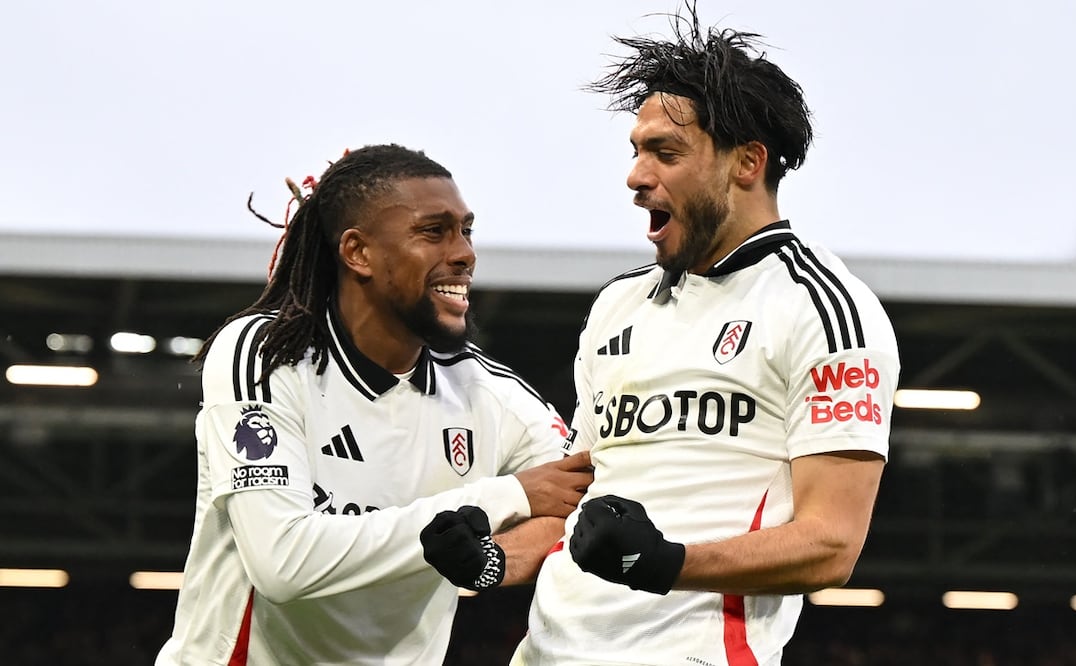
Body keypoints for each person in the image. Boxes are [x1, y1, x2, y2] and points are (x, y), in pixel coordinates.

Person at [419, 7, 901, 665]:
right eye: (636, 150)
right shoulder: (620, 305)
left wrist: (668, 562)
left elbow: (832, 544)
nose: (636, 176)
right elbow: (578, 503)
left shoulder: (822, 308)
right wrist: (492, 560)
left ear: (747, 163)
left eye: (665, 153)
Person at [155, 144, 593, 666]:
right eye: (434, 231)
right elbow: (283, 565)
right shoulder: (267, 354)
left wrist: (494, 559)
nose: (464, 253)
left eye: (466, 230)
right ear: (357, 252)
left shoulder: (487, 391)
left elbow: (581, 501)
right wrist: (500, 497)